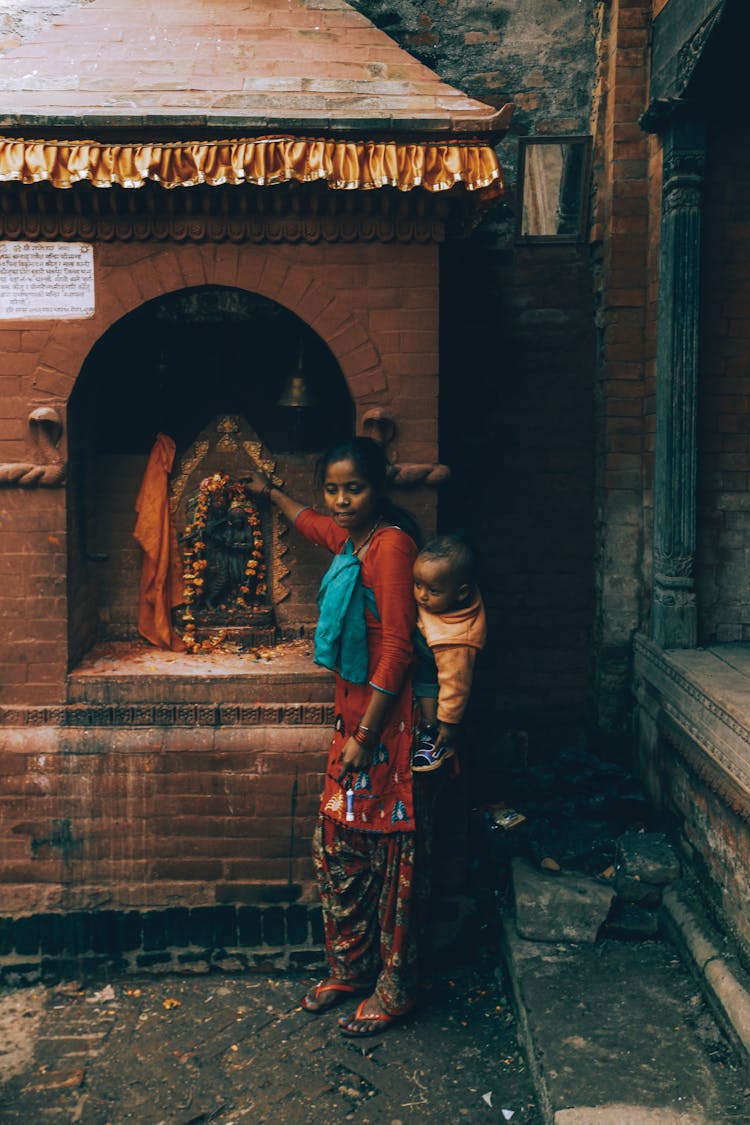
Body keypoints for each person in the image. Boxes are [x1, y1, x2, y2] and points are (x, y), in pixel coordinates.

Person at [245, 437, 419, 1037]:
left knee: (393, 858)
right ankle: (351, 967)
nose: (342, 501)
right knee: (340, 851)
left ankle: (394, 989)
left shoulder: (391, 547)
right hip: (351, 725)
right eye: (334, 489)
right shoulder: (353, 539)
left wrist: (367, 738)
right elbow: (313, 524)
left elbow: (398, 648)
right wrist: (272, 497)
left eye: (355, 488)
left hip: (387, 730)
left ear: (381, 488)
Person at [411, 534, 487, 772]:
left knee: (430, 685)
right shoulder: (446, 598)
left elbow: (456, 685)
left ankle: (434, 738)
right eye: (417, 584)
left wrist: (448, 723)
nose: (422, 595)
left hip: (437, 671)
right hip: (429, 645)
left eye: (432, 590)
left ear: (461, 594)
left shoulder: (457, 642)